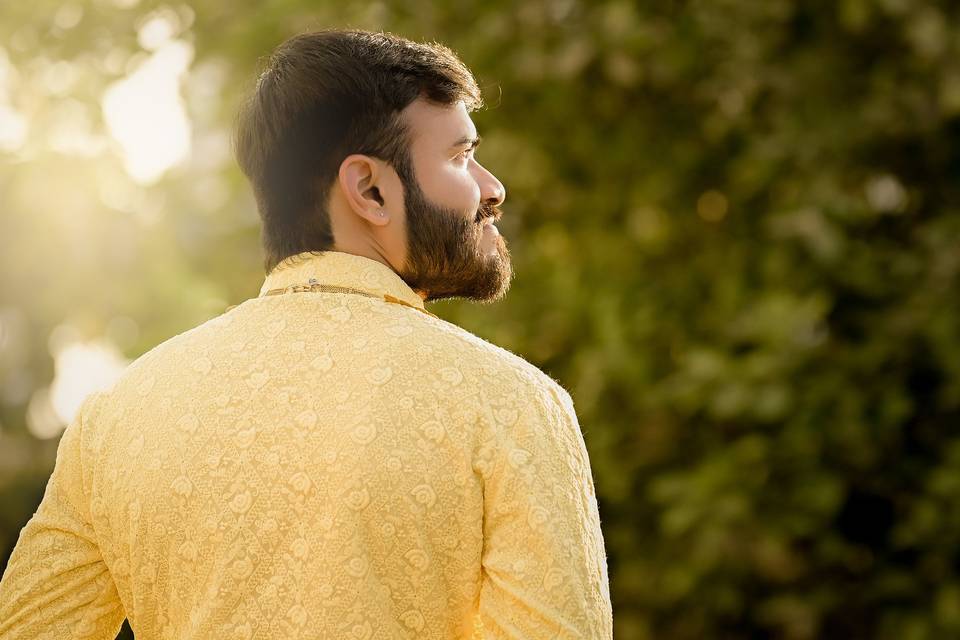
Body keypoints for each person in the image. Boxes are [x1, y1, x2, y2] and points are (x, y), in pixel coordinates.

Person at [0, 28, 613, 638]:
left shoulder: (118, 417)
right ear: (370, 189)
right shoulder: (510, 405)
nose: (491, 187)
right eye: (459, 156)